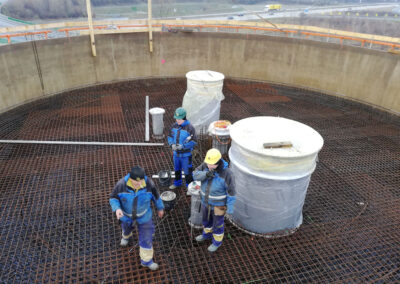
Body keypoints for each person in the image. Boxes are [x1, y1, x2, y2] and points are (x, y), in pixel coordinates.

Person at [109, 166, 164, 271]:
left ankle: (146, 261)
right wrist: (117, 209)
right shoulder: (121, 185)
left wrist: (160, 208)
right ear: (130, 178)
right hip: (126, 217)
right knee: (126, 228)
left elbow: (156, 196)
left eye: (141, 182)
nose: (139, 184)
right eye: (135, 182)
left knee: (146, 238)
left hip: (144, 216)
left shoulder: (149, 184)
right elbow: (113, 198)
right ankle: (126, 236)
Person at [193, 148, 236, 252]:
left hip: (219, 206)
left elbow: (231, 193)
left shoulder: (227, 174)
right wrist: (206, 174)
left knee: (218, 224)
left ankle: (217, 242)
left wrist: (229, 209)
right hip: (205, 202)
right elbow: (195, 175)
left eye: (212, 164)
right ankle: (206, 235)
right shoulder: (205, 166)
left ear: (218, 163)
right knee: (206, 221)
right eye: (208, 163)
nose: (209, 166)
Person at [167, 107, 197, 190]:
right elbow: (169, 136)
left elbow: (194, 141)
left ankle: (190, 188)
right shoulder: (173, 126)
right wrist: (171, 144)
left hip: (186, 155)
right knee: (177, 170)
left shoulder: (190, 128)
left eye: (179, 119)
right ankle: (177, 183)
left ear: (184, 118)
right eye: (176, 119)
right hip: (176, 155)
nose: (177, 121)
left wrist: (183, 146)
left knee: (188, 172)